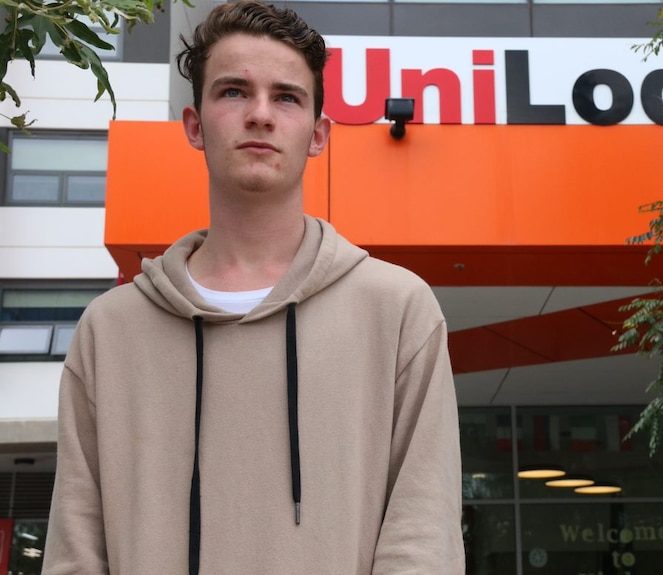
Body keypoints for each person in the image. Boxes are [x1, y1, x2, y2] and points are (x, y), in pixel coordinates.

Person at [41, 1, 465, 573]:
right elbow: (75, 545)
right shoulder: (110, 329)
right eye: (234, 91)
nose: (260, 114)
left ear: (318, 135)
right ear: (195, 124)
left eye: (286, 96)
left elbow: (424, 541)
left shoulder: (396, 310)